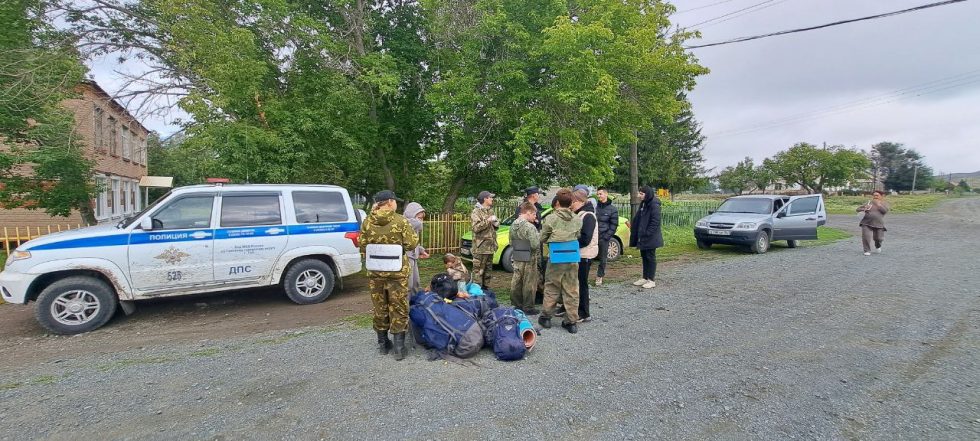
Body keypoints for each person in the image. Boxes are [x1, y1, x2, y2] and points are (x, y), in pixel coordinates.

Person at [360, 190, 419, 361]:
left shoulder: (367, 221)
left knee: (380, 306)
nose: (396, 204)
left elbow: (362, 245)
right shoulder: (400, 221)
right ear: (390, 202)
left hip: (376, 272)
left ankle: (383, 344)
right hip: (397, 272)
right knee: (399, 305)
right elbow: (411, 244)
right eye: (395, 201)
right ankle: (399, 348)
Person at [538, 188, 583, 333]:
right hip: (572, 257)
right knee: (572, 289)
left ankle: (546, 318)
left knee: (552, 286)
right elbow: (578, 235)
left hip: (556, 257)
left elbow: (542, 238)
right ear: (571, 203)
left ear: (557, 201)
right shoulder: (577, 219)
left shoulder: (551, 218)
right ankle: (571, 322)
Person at [509, 202, 541, 315]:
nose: (535, 217)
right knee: (529, 281)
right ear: (528, 213)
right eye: (534, 214)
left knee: (517, 280)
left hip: (518, 253)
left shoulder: (513, 224)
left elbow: (510, 242)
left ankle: (516, 304)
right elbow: (534, 245)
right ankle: (528, 306)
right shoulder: (530, 227)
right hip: (530, 256)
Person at [629, 185, 663, 289]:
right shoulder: (644, 203)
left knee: (650, 257)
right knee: (644, 256)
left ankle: (651, 280)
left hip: (651, 237)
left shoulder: (654, 205)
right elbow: (639, 218)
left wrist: (647, 233)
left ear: (647, 194)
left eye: (641, 194)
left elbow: (655, 222)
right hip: (643, 236)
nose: (639, 195)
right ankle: (645, 277)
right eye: (639, 193)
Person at [572, 191, 598, 323]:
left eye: (573, 202)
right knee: (576, 283)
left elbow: (586, 238)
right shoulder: (580, 214)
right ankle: (575, 309)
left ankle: (584, 312)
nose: (571, 205)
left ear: (581, 201)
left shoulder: (588, 216)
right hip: (579, 254)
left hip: (584, 254)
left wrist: (570, 243)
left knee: (582, 284)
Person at [470, 191, 500, 288]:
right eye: (490, 197)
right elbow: (476, 228)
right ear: (485, 199)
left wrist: (496, 223)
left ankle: (486, 289)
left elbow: (493, 228)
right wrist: (488, 220)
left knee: (488, 270)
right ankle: (477, 290)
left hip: (490, 246)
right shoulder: (476, 211)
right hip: (480, 247)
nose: (492, 199)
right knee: (478, 270)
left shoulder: (490, 211)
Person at [594, 187, 619, 286]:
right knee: (589, 256)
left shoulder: (612, 209)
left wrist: (606, 236)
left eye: (600, 194)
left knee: (603, 258)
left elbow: (614, 225)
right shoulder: (595, 208)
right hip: (594, 236)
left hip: (604, 237)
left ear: (606, 194)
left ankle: (599, 276)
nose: (599, 196)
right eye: (598, 194)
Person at [403, 202, 430, 295]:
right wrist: (418, 221)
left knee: (416, 283)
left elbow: (413, 242)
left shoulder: (415, 226)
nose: (421, 221)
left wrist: (421, 250)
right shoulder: (404, 223)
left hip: (413, 256)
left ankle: (414, 302)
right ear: (411, 214)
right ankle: (406, 303)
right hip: (405, 257)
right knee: (408, 285)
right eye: (419, 217)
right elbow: (417, 224)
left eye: (422, 218)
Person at [857, 190, 889, 256]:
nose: (875, 197)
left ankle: (878, 245)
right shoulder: (868, 202)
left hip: (879, 223)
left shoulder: (884, 203)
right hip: (866, 222)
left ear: (881, 196)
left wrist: (879, 205)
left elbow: (885, 211)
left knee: (879, 238)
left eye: (877, 195)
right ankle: (867, 250)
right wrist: (864, 208)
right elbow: (857, 209)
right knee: (866, 237)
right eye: (874, 195)